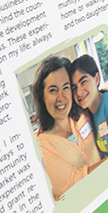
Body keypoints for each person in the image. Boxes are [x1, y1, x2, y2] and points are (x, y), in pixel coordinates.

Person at [33, 56, 102, 200]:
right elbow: (78, 183)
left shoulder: (81, 114)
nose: (61, 97)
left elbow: (98, 98)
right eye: (53, 90)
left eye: (66, 88)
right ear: (42, 97)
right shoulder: (40, 149)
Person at [70, 55, 108, 158]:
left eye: (83, 82)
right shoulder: (90, 114)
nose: (79, 92)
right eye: (74, 87)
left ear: (97, 79)